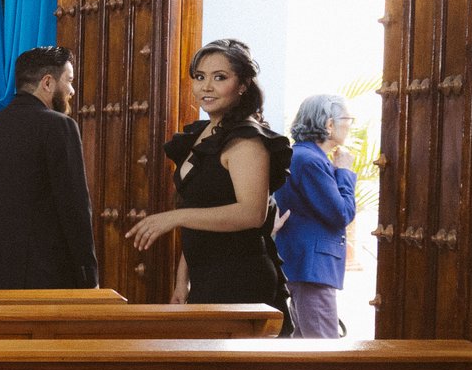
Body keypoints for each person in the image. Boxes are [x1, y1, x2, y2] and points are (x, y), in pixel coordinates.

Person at [128, 40, 291, 312]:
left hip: (240, 279)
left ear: (242, 85)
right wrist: (183, 281)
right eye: (200, 77)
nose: (206, 87)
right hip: (205, 277)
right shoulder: (202, 133)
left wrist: (175, 216)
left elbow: (252, 214)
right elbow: (201, 213)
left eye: (220, 77)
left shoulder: (246, 140)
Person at [0, 44, 97, 290]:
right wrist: (89, 279)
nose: (72, 90)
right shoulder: (59, 127)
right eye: (69, 81)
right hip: (38, 282)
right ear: (47, 83)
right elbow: (74, 209)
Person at [275, 92, 360, 337]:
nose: (350, 125)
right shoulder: (310, 160)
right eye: (348, 119)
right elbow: (341, 214)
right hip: (312, 267)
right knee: (323, 348)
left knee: (305, 344)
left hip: (305, 264)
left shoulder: (302, 155)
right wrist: (344, 171)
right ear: (329, 124)